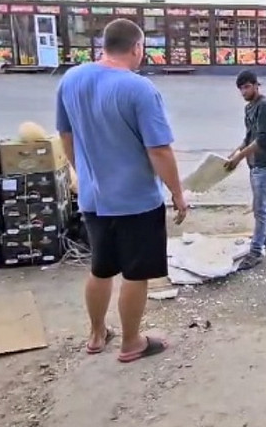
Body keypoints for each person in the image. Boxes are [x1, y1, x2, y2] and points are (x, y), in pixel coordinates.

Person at [55, 18, 187, 364]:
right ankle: (131, 342)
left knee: (100, 268)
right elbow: (158, 150)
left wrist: (83, 171)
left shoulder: (71, 80)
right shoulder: (139, 89)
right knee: (135, 273)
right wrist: (177, 192)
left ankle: (97, 334)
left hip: (94, 198)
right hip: (136, 200)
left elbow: (66, 137)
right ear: (137, 48)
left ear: (103, 46)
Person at [225, 70, 266, 270]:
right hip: (254, 162)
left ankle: (256, 252)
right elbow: (249, 136)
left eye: (247, 87)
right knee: (262, 203)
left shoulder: (264, 106)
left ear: (257, 85)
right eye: (241, 88)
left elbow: (262, 139)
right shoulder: (250, 107)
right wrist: (235, 152)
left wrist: (239, 158)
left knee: (259, 208)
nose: (243, 91)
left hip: (263, 163)